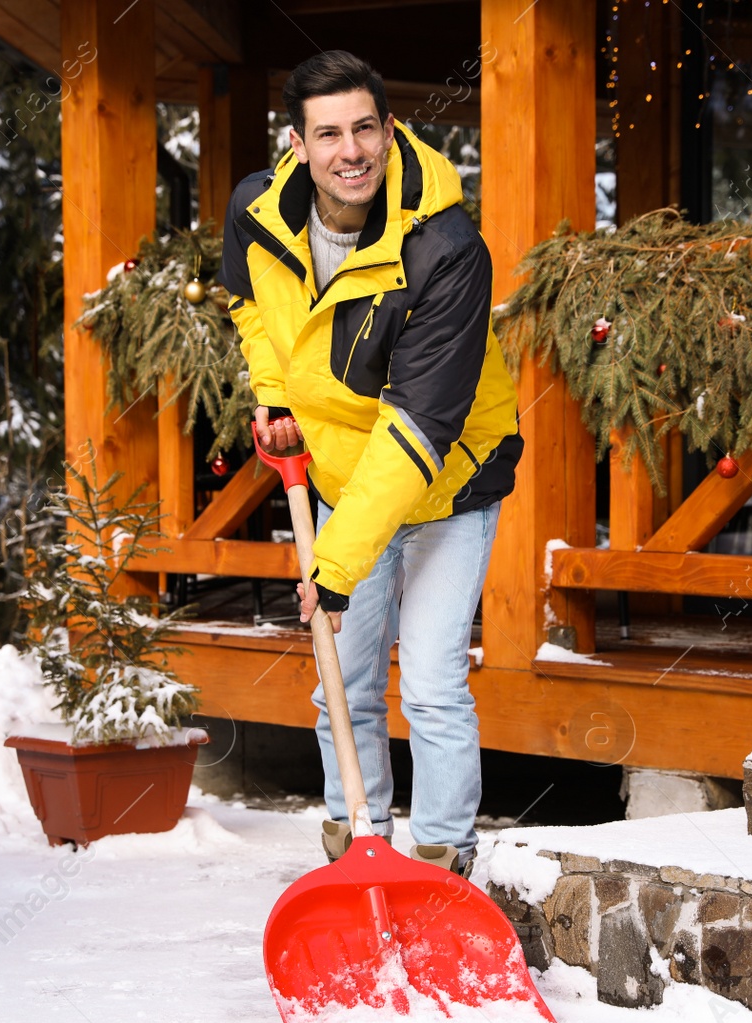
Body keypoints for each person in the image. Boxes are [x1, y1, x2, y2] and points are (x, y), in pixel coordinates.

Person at [218, 50, 523, 877]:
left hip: (445, 476)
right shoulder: (260, 211)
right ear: (298, 143)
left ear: (389, 131)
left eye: (363, 128)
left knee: (427, 682)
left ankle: (441, 863)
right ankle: (357, 847)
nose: (349, 151)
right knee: (341, 685)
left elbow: (420, 425)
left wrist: (341, 565)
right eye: (328, 134)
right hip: (340, 474)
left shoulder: (446, 248)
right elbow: (251, 305)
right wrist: (275, 396)